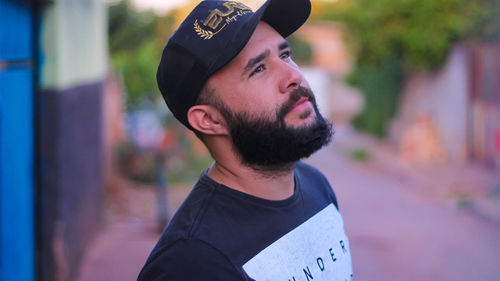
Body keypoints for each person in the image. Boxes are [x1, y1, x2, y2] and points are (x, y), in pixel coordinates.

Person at [138, 0, 353, 280]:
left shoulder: (316, 185)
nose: (294, 76)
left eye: (285, 55)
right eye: (259, 69)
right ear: (209, 120)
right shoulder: (191, 262)